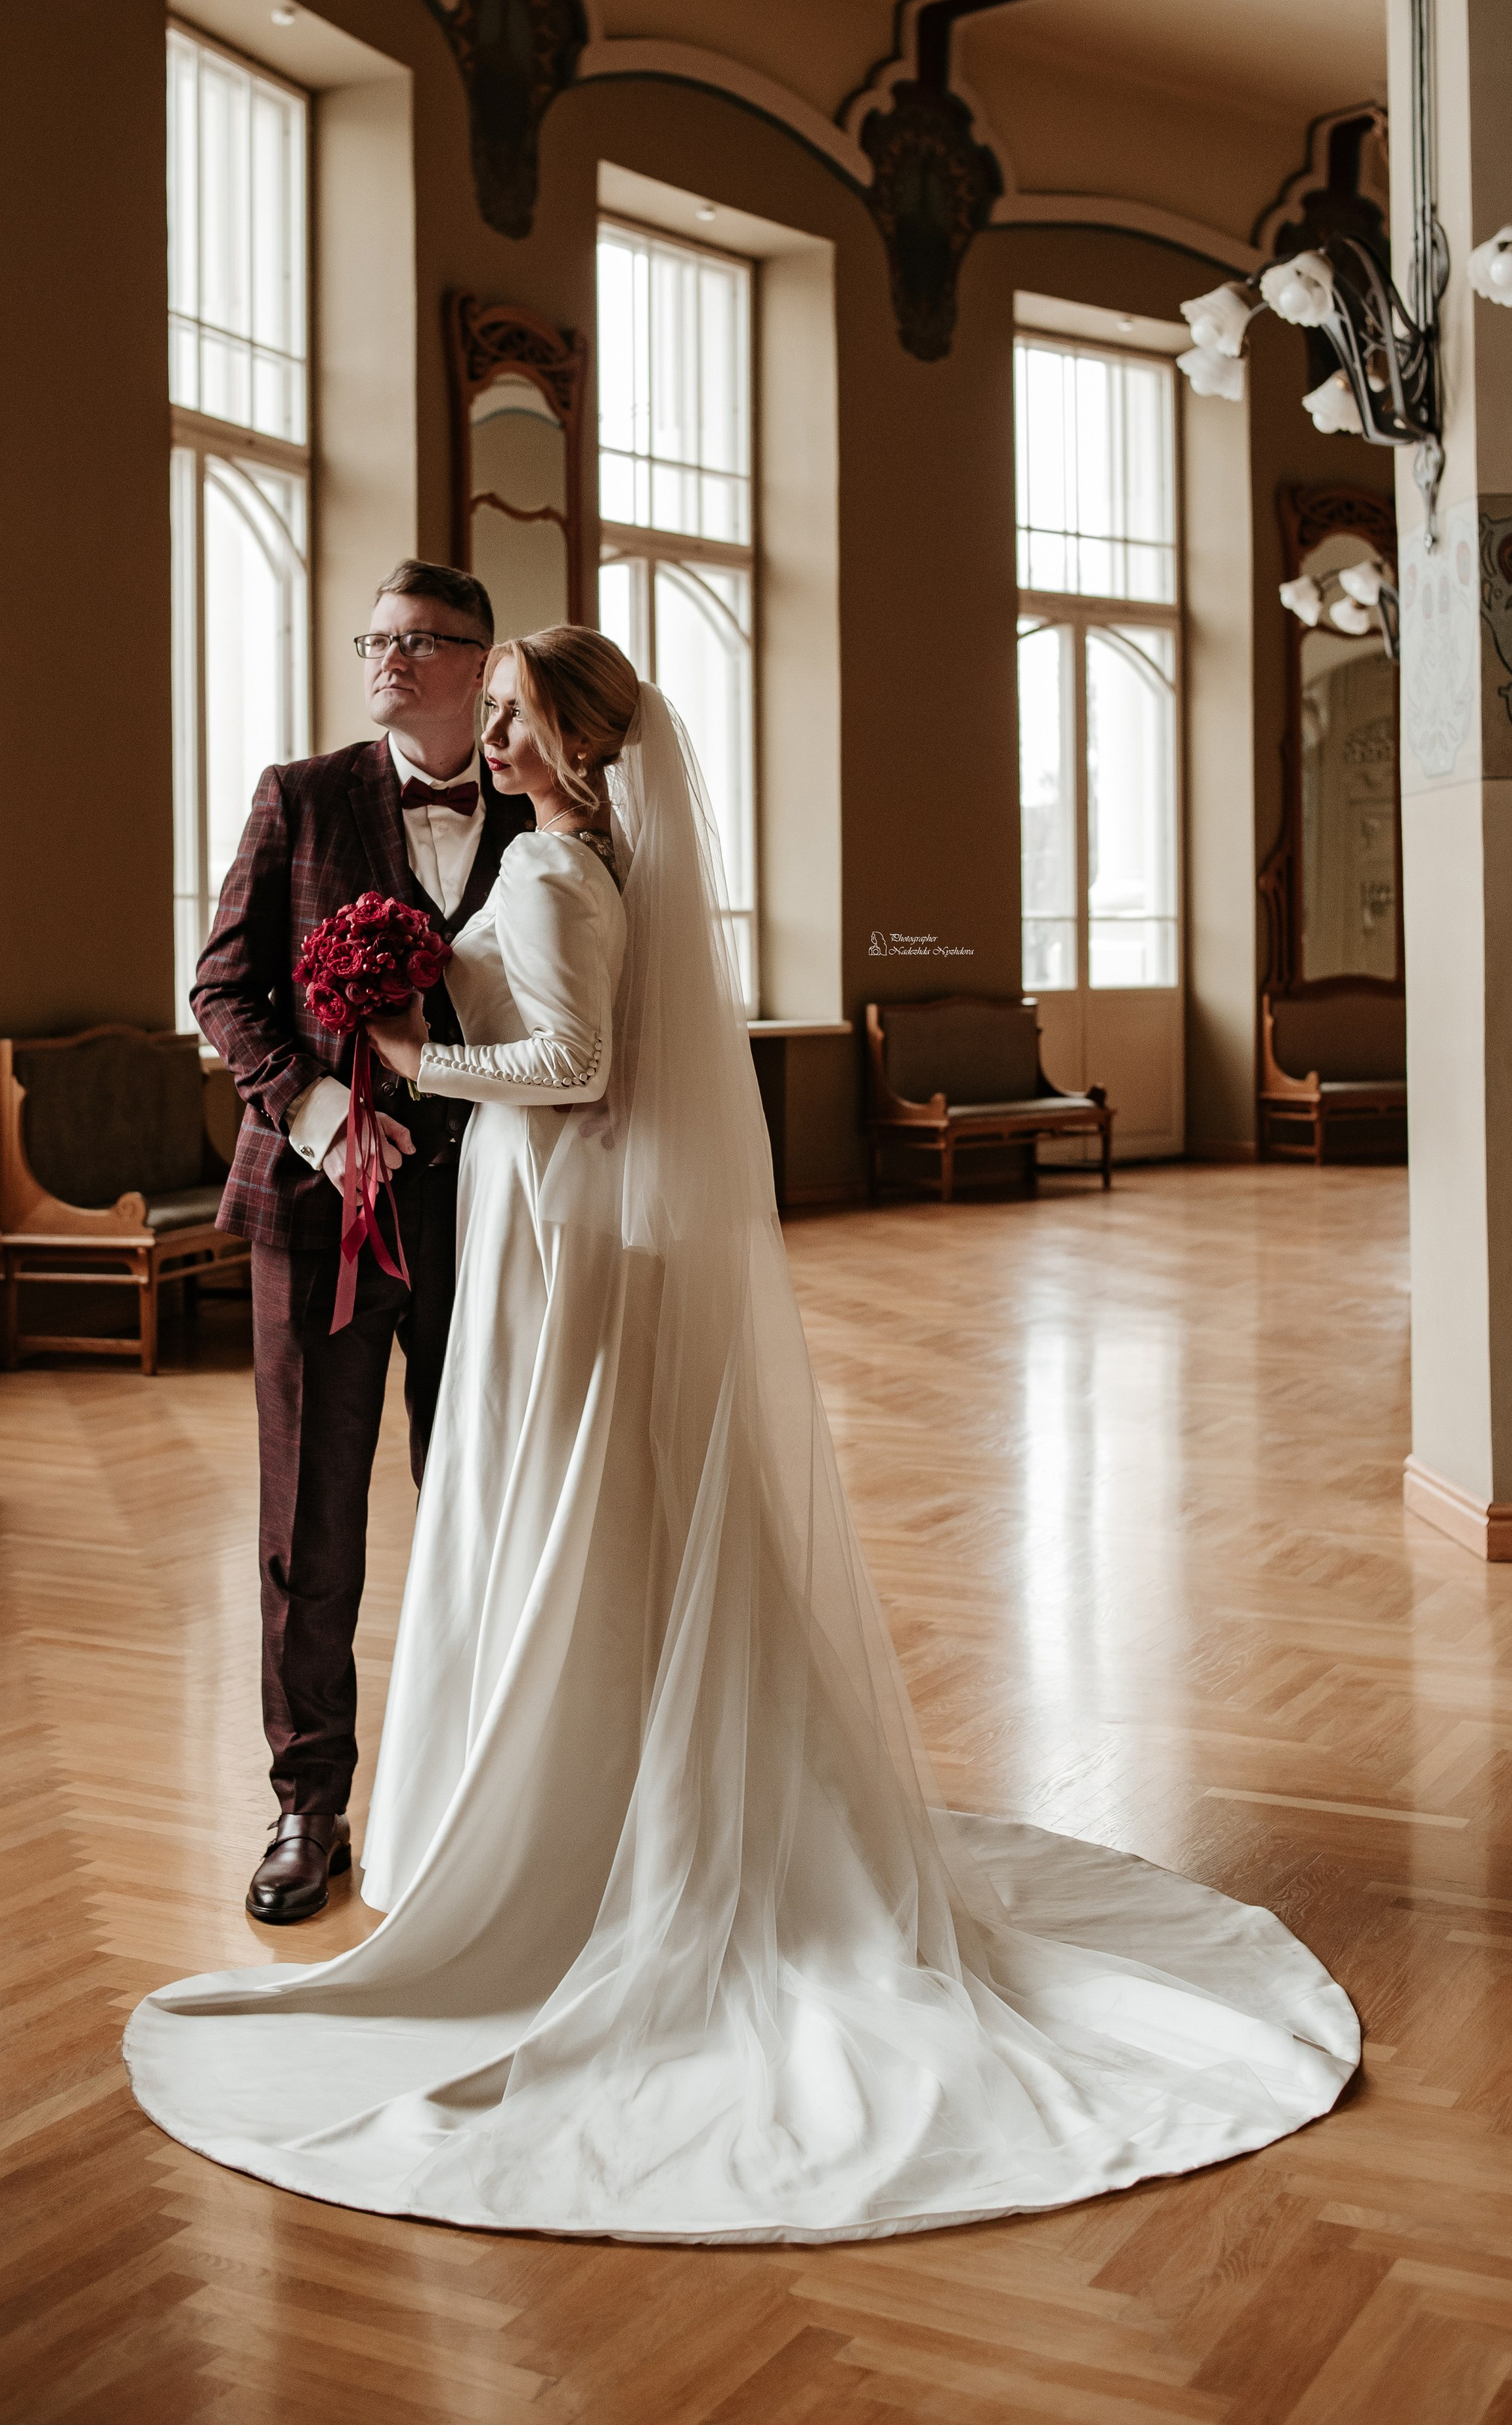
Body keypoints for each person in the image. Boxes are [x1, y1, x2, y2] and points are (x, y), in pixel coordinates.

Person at [130, 630, 1358, 2243]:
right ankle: (569, 1789)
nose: (488, 734)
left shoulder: (561, 873)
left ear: (570, 736)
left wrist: (412, 1049)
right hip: (526, 1217)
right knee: (552, 1502)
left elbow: (564, 1068)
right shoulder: (567, 855)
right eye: (482, 708)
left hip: (545, 1220)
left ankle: (577, 1823)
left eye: (507, 711)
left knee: (559, 1502)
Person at [191, 561, 531, 1927]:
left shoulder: (543, 808)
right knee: (309, 1524)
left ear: (481, 660)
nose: (389, 660)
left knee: (479, 1500)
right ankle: (306, 1804)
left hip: (494, 1213)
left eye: (423, 641)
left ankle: (475, 1792)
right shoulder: (301, 792)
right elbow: (225, 986)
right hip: (316, 1209)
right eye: (374, 640)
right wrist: (322, 1109)